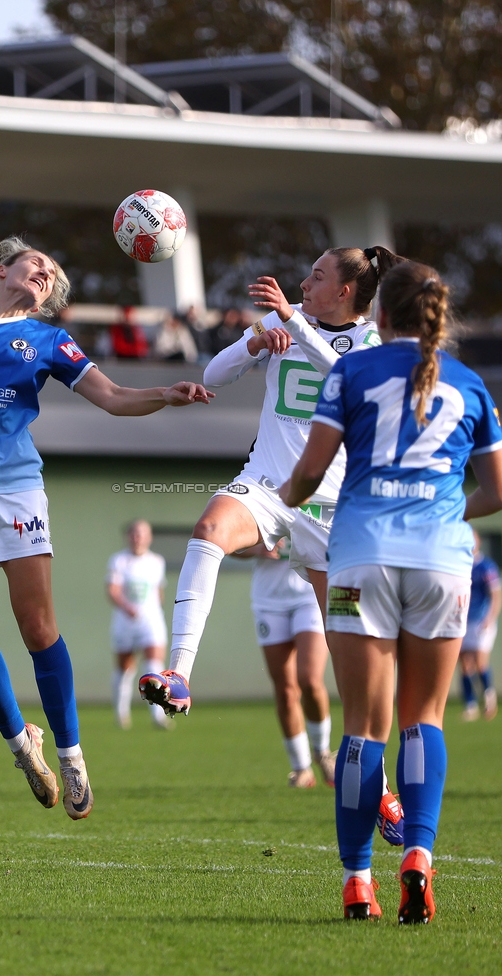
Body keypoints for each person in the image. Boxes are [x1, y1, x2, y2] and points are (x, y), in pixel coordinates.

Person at [0, 236, 212, 820]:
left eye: (51, 273)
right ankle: (22, 744)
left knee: (37, 626)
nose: (44, 273)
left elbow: (113, 397)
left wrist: (164, 393)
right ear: (2, 270)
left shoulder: (51, 340)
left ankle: (73, 755)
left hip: (15, 488)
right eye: (36, 264)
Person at [139, 245, 405, 838]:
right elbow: (213, 374)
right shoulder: (284, 322)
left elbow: (343, 376)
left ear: (345, 292)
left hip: (337, 513)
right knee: (207, 532)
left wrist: (290, 322)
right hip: (266, 486)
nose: (304, 283)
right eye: (305, 274)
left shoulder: (373, 346)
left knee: (351, 672)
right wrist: (256, 343)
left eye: (316, 276)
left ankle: (381, 791)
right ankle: (179, 673)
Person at [282, 260, 502, 923]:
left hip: (361, 561)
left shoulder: (352, 371)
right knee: (423, 719)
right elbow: (496, 490)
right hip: (440, 563)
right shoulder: (472, 385)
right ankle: (419, 860)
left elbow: (310, 472)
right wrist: (441, 520)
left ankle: (357, 883)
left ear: (379, 316)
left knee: (363, 730)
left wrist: (284, 505)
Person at [233, 537, 334, 786]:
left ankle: (322, 753)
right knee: (286, 691)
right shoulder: (261, 499)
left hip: (309, 596)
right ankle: (301, 769)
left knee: (309, 680)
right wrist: (256, 549)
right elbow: (229, 544)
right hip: (269, 602)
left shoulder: (318, 501)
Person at [107, 519, 171, 729]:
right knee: (125, 668)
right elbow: (113, 591)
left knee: (154, 665)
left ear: (149, 537)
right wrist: (127, 607)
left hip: (150, 622)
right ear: (128, 536)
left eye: (142, 533)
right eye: (134, 533)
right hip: (125, 622)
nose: (138, 537)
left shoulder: (157, 562)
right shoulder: (119, 561)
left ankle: (158, 715)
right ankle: (121, 714)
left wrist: (149, 611)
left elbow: (159, 594)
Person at [460, 530, 500, 721]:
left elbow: (496, 594)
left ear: (479, 541)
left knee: (480, 662)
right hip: (463, 620)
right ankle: (470, 705)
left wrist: (490, 618)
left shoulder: (486, 567)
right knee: (465, 664)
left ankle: (489, 699)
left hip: (481, 620)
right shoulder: (461, 565)